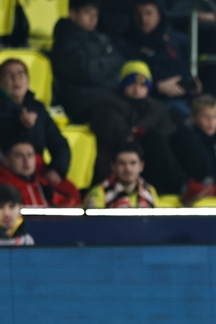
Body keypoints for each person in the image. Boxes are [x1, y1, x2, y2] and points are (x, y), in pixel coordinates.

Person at [90, 60, 188, 194]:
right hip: (126, 164)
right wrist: (145, 131)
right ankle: (181, 187)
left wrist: (142, 129)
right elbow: (123, 136)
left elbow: (170, 129)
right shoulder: (108, 105)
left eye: (142, 85)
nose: (137, 89)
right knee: (153, 137)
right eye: (132, 84)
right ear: (123, 85)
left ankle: (202, 182)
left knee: (183, 134)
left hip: (154, 162)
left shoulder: (157, 107)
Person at [116, 0, 201, 120]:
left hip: (183, 98)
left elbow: (183, 70)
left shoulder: (172, 41)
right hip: (152, 102)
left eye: (148, 13)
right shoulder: (124, 45)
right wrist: (157, 86)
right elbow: (126, 81)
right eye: (138, 14)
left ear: (159, 15)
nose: (143, 19)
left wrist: (192, 83)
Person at [50, 0, 126, 124]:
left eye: (96, 14)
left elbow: (120, 62)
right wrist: (109, 65)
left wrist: (101, 67)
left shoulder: (101, 38)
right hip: (86, 106)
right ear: (72, 14)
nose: (93, 18)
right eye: (87, 13)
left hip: (110, 98)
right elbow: (88, 73)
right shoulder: (64, 42)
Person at [0, 59, 72, 187]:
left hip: (37, 172)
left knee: (70, 191)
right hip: (5, 173)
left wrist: (57, 169)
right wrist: (17, 124)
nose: (16, 80)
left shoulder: (38, 109)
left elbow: (59, 144)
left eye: (21, 74)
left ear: (28, 81)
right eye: (8, 76)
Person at [171, 95, 216, 205]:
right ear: (193, 118)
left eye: (214, 117)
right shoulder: (189, 140)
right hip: (201, 182)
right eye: (205, 116)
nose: (211, 121)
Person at [0, 140, 81, 208]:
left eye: (30, 155)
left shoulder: (44, 185)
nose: (26, 161)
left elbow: (67, 203)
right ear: (6, 161)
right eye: (19, 155)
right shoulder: (3, 187)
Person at [84, 142, 158, 208]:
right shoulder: (99, 193)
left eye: (133, 163)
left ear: (141, 166)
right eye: (122, 163)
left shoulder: (150, 190)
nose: (128, 169)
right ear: (113, 166)